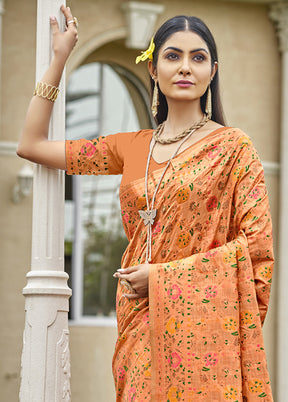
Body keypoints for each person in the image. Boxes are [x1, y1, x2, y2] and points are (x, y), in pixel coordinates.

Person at [17, 5, 274, 401]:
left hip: (206, 342)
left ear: (212, 71)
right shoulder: (130, 146)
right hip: (140, 327)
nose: (185, 67)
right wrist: (59, 59)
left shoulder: (234, 149)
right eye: (173, 56)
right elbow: (31, 145)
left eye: (198, 57)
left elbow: (256, 251)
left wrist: (162, 278)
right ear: (153, 69)